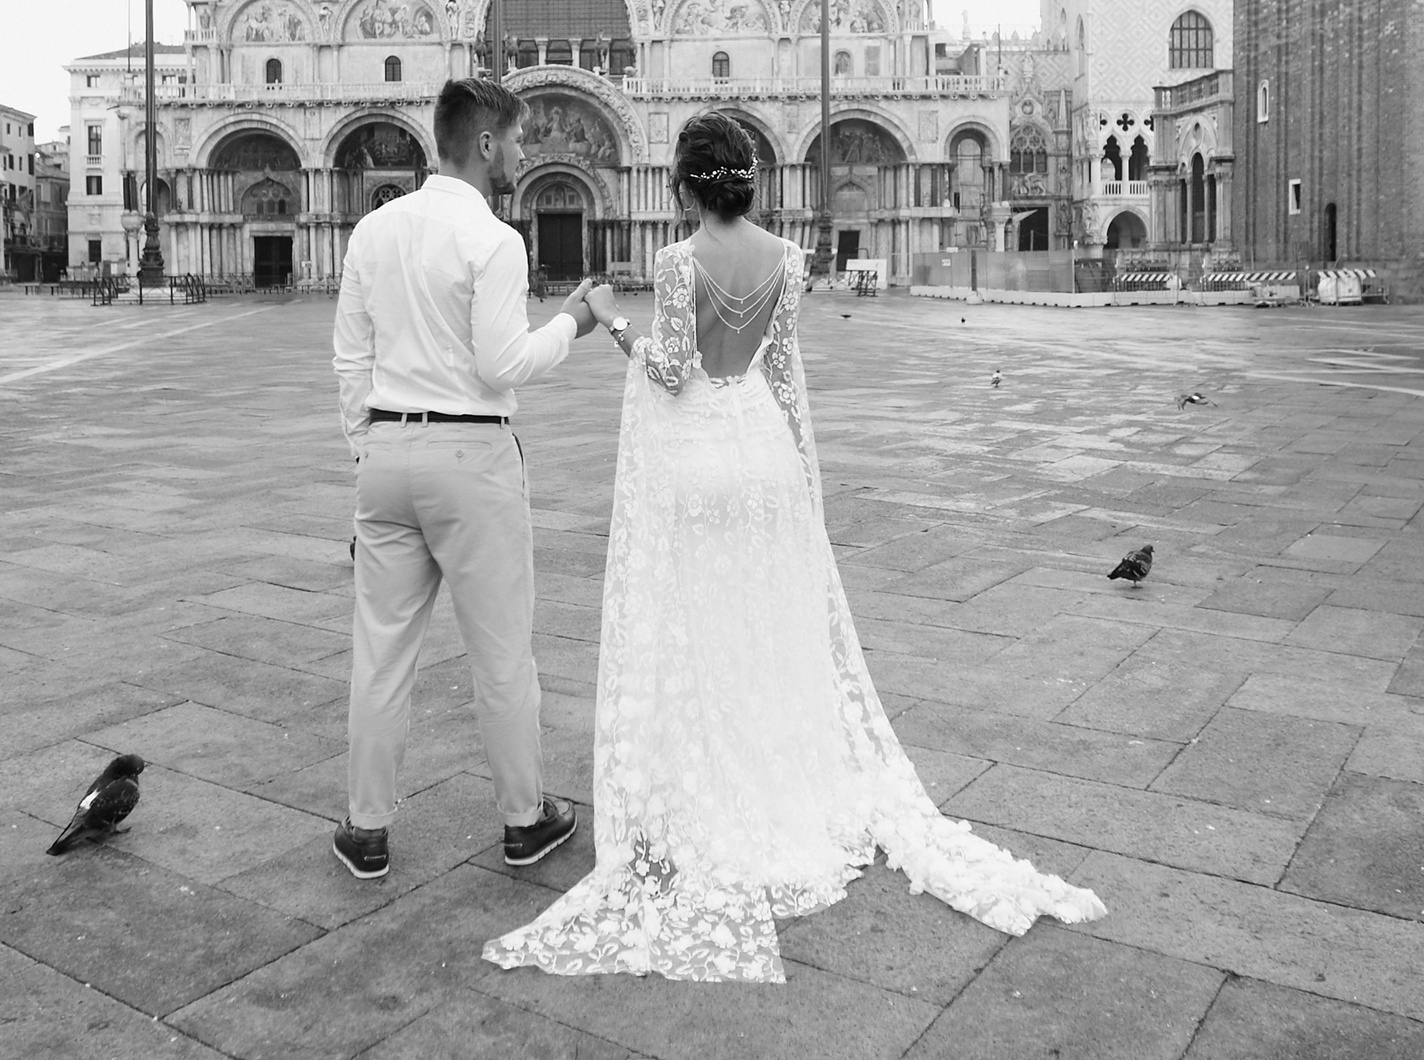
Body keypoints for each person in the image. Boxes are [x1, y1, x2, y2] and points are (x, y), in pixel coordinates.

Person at [485, 111, 1105, 982]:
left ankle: (719, 781)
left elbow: (668, 372)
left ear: (684, 185)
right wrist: (801, 478)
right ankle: (776, 781)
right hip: (766, 458)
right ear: (746, 180)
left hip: (699, 463)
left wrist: (610, 325)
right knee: (766, 629)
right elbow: (780, 374)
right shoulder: (788, 261)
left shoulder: (674, 263)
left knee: (705, 630)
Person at [330, 76, 596, 881]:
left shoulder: (372, 231)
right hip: (472, 458)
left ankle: (365, 830)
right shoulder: (495, 239)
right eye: (516, 140)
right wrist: (572, 324)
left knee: (379, 655)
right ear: (485, 144)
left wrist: (365, 453)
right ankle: (524, 820)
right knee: (502, 652)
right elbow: (502, 362)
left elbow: (350, 359)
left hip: (384, 455)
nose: (523, 153)